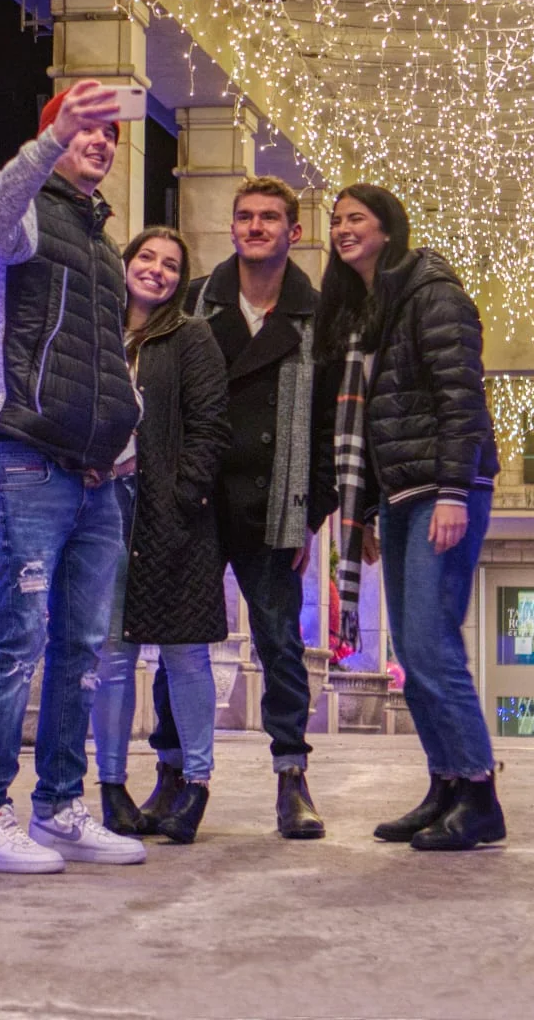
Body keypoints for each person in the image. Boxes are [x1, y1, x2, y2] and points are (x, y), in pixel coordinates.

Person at [0, 79, 147, 875]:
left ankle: (61, 807)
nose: (98, 141)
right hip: (28, 456)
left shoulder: (106, 245)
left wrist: (127, 433)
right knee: (18, 641)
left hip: (99, 474)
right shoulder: (29, 214)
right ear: (54, 135)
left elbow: (104, 356)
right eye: (83, 129)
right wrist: (46, 139)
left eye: (108, 134)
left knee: (82, 649)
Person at [316, 182, 505, 852]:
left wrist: (453, 490)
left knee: (430, 642)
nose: (342, 230)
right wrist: (364, 511)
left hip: (441, 489)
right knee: (411, 647)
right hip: (397, 496)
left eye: (355, 219)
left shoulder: (432, 294)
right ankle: (444, 784)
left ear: (387, 229)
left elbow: (460, 396)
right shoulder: (370, 311)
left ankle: (479, 794)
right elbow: (370, 425)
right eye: (335, 220)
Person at [148, 176, 338, 840]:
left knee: (280, 643)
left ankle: (292, 778)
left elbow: (325, 427)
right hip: (195, 500)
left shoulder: (316, 316)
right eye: (245, 217)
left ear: (293, 231)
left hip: (273, 502)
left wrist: (310, 512)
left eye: (269, 218)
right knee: (178, 641)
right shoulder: (198, 301)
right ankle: (169, 773)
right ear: (231, 229)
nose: (255, 226)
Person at [90, 227, 230, 844]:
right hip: (103, 506)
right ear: (125, 264)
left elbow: (209, 427)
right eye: (146, 257)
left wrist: (181, 496)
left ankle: (194, 785)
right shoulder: (95, 329)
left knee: (184, 652)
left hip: (173, 513)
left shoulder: (191, 337)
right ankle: (113, 788)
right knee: (114, 654)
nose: (156, 270)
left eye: (171, 264)